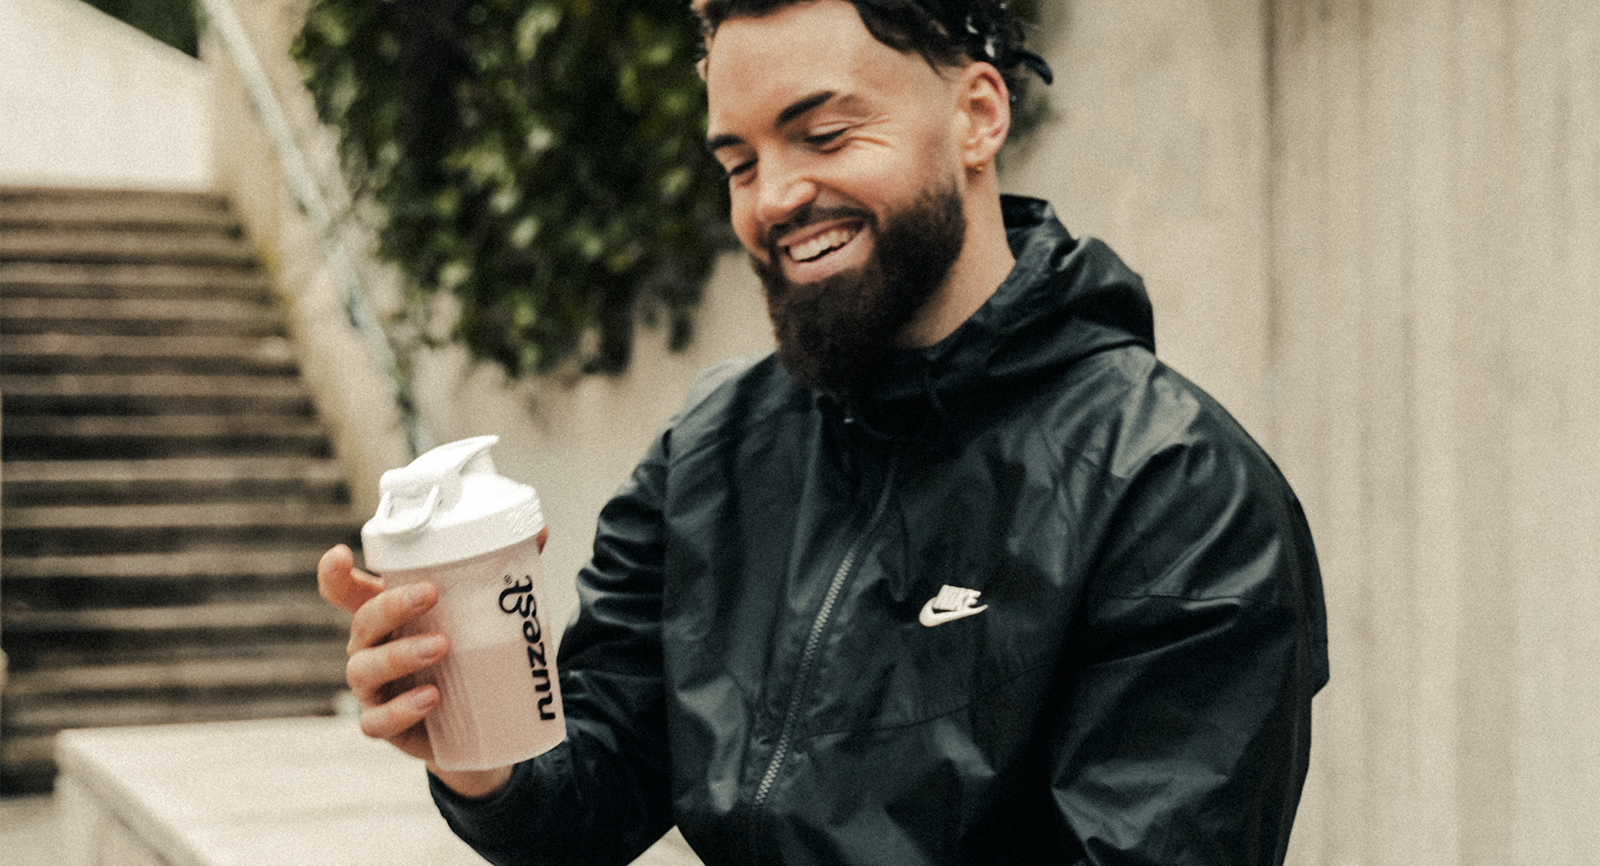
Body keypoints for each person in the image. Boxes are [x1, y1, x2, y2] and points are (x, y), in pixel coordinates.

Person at [317, 1, 1330, 863]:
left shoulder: (1176, 491)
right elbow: (592, 787)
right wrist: (471, 733)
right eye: (739, 160)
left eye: (824, 133)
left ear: (977, 115)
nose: (775, 198)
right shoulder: (710, 449)